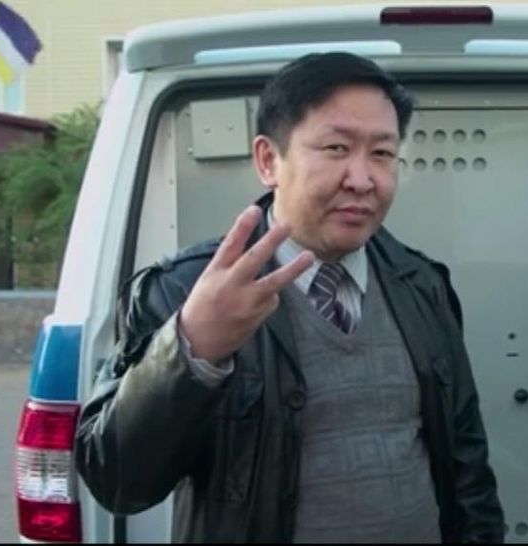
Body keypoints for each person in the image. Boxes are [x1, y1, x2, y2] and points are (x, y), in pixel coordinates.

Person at [75, 51, 504, 543]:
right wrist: (192, 351)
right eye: (336, 148)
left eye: (382, 154)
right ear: (268, 160)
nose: (362, 179)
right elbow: (118, 482)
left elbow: (467, 466)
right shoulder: (184, 291)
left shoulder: (421, 284)